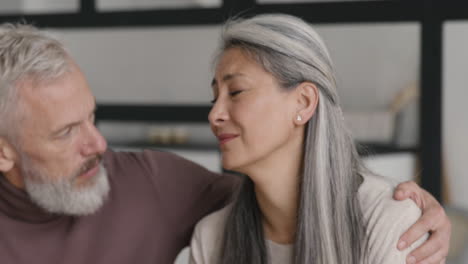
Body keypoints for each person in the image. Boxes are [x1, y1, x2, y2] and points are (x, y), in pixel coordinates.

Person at [0, 23, 448, 264]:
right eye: (65, 132)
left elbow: (290, 201)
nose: (98, 144)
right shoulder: (213, 238)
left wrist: (410, 209)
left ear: (304, 101)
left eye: (92, 117)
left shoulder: (152, 184)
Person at [189, 14, 450, 264]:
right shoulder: (212, 237)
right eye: (215, 98)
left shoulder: (389, 221)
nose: (215, 114)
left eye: (235, 91)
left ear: (303, 103)